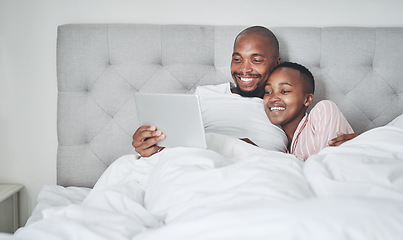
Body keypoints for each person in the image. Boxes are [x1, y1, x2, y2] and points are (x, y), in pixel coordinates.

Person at [132, 26, 287, 157]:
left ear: (276, 63)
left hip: (254, 170)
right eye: (237, 59)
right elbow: (176, 145)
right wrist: (149, 147)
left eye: (256, 60)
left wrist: (244, 149)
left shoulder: (285, 105)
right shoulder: (205, 95)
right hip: (193, 164)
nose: (244, 69)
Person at [263, 62, 355, 161]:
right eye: (268, 92)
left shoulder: (323, 110)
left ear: (307, 99)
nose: (273, 98)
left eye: (285, 91)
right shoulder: (277, 142)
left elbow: (327, 162)